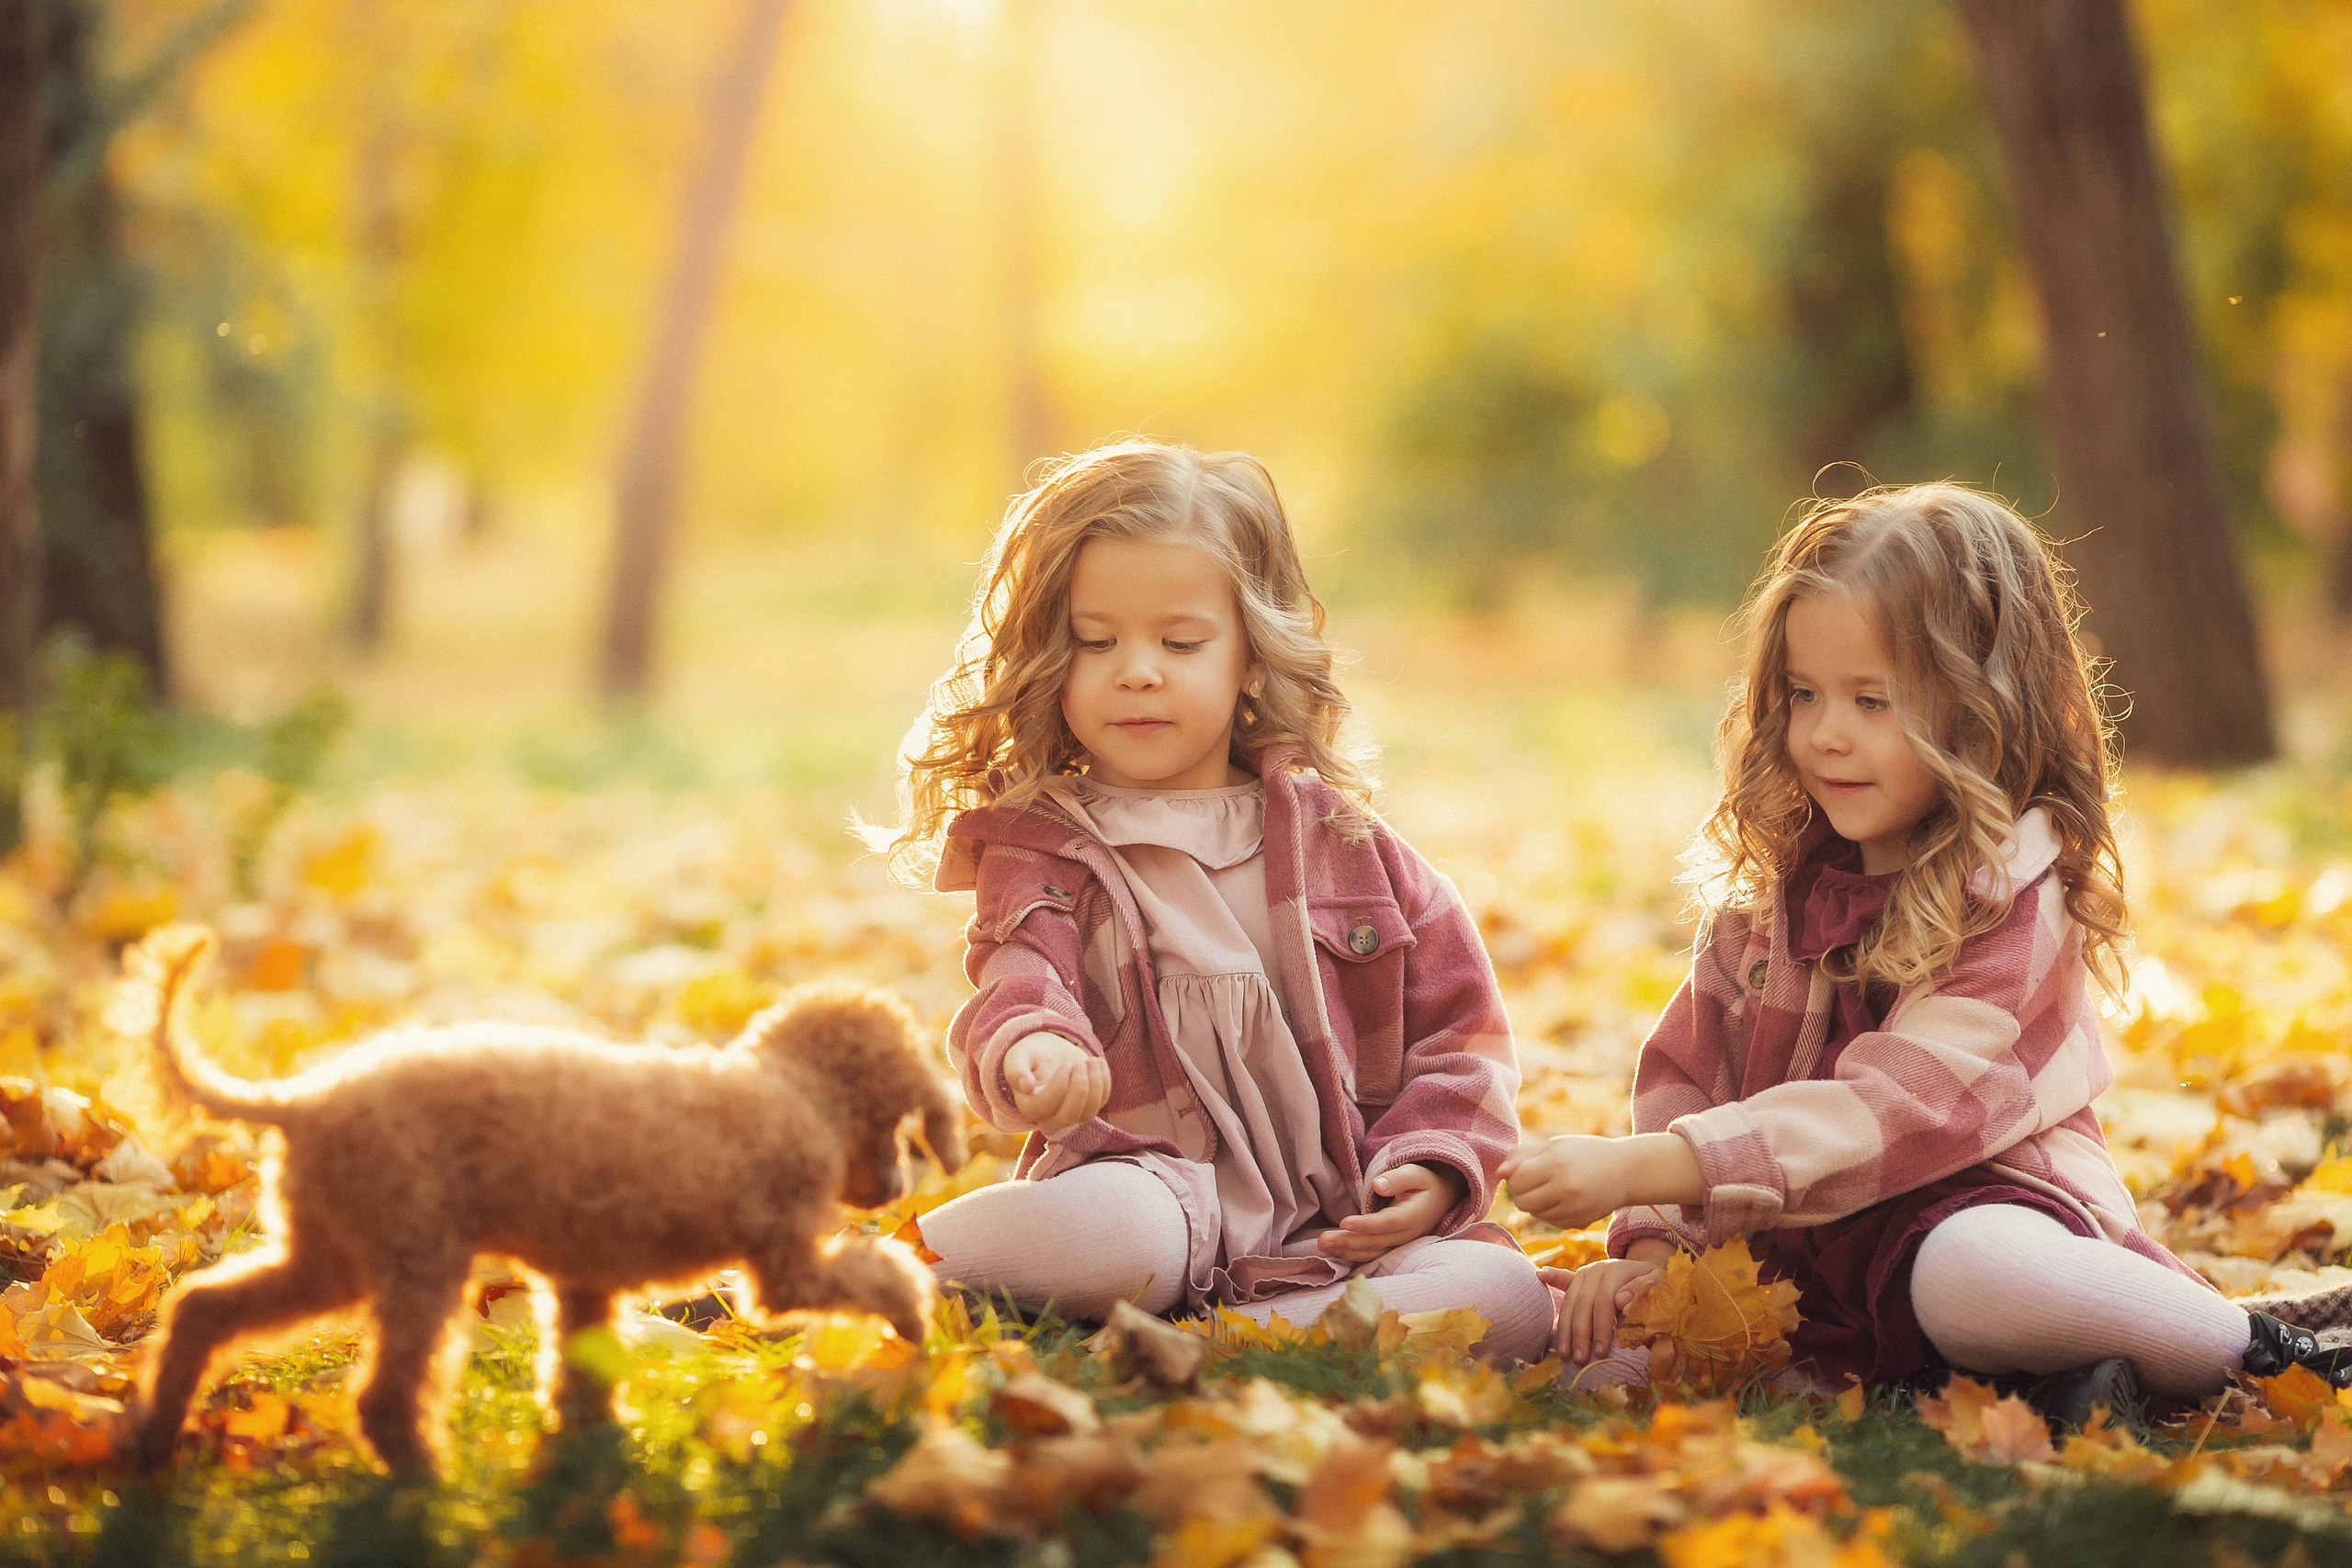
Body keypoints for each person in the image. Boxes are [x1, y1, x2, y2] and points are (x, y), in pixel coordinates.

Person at [1500, 482, 2350, 1416]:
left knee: (1962, 1277)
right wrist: (1651, 1253)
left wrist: (1643, 1169)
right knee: (1596, 1363)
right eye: (1803, 695)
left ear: (1980, 709)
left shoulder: (2014, 903)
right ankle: (2027, 1388)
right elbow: (1684, 1079)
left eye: (1872, 701)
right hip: (1793, 1253)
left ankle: (2272, 1351)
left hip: (1982, 1215)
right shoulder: (1770, 899)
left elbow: (1887, 1109)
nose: (1827, 733)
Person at [876, 439, 1553, 1361]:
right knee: (1123, 1240)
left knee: (1503, 1298)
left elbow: (1460, 1038)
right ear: (1047, 656)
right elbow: (1015, 981)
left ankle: (1210, 1344)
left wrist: (1433, 1171)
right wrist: (1036, 1046)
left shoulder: (1352, 852)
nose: (1138, 670)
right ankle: (874, 1276)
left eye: (1180, 641)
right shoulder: (1044, 848)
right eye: (1095, 640)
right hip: (1151, 1195)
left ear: (1249, 657)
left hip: (1336, 1228)